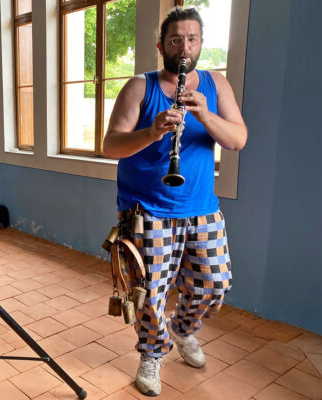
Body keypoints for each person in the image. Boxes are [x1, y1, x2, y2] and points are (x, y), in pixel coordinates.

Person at [103, 6, 247, 397]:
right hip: (146, 212)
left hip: (202, 211)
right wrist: (151, 133)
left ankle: (182, 330)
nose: (184, 47)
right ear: (161, 45)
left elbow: (237, 139)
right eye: (176, 40)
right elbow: (110, 145)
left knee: (215, 284)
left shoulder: (217, 85)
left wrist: (205, 114)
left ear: (201, 42)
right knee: (149, 293)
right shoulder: (140, 87)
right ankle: (151, 353)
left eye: (192, 39)